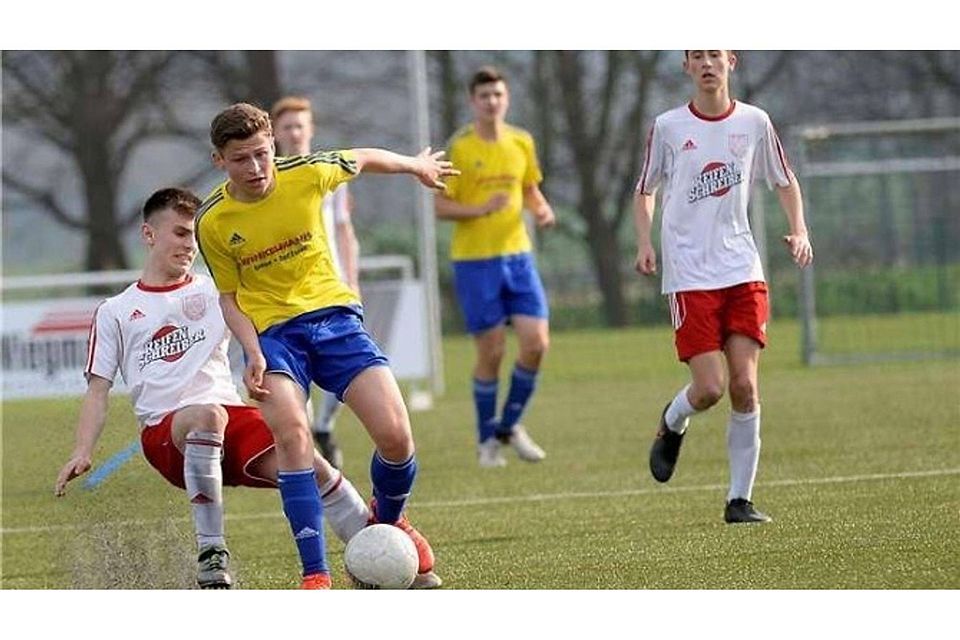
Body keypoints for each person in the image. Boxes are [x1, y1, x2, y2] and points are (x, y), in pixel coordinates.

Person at [53, 188, 375, 589]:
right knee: (206, 414)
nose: (191, 245)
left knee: (311, 466)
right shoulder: (116, 310)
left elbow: (268, 327)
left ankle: (378, 549)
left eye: (195, 236)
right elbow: (98, 391)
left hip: (232, 420)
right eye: (181, 234)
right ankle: (211, 552)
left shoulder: (216, 291)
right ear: (149, 235)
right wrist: (82, 450)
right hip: (167, 434)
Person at [196, 102, 455, 589]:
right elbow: (229, 299)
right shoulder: (212, 221)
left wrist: (416, 166)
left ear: (273, 142)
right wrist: (251, 350)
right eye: (240, 160)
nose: (255, 169)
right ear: (219, 161)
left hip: (336, 321)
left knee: (397, 436)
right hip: (273, 337)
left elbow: (365, 157)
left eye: (260, 154)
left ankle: (390, 519)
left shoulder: (308, 172)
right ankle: (315, 573)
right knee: (294, 435)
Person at [633, 50, 814, 523]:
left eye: (716, 53)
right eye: (698, 56)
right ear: (687, 67)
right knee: (710, 388)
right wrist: (644, 242)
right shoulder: (669, 127)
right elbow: (644, 190)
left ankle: (740, 500)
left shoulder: (755, 122)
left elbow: (784, 179)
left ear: (731, 61)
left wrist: (800, 228)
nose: (708, 63)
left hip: (742, 269)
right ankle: (672, 421)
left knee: (744, 386)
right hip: (690, 276)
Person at [434, 66, 556, 468]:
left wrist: (541, 210)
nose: (492, 102)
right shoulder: (461, 147)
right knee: (492, 351)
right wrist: (479, 208)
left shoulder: (522, 142)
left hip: (518, 257)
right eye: (484, 96)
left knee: (536, 343)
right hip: (474, 262)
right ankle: (488, 439)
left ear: (506, 99)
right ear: (473, 101)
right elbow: (441, 205)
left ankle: (510, 424)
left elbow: (529, 189)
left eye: (498, 95)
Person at [272, 95, 360, 470]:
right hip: (285, 294)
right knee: (297, 381)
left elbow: (344, 229)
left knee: (351, 367)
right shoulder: (266, 175)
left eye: (300, 125)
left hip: (331, 284)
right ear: (275, 133)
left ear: (311, 130)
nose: (294, 132)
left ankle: (323, 427)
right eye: (287, 126)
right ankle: (308, 445)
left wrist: (352, 280)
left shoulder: (329, 173)